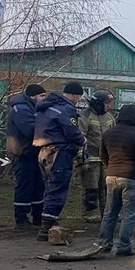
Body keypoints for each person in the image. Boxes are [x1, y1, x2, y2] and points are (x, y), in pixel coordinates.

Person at [96, 104, 135, 256]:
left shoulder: (108, 133)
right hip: (133, 179)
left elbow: (102, 156)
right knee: (130, 214)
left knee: (110, 213)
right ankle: (124, 246)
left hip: (112, 177)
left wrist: (111, 168)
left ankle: (104, 244)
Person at [32, 82, 86, 240]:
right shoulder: (65, 108)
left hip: (43, 151)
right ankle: (46, 229)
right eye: (79, 96)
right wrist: (82, 140)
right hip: (59, 153)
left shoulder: (47, 106)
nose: (78, 100)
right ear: (75, 95)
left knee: (49, 187)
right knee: (58, 189)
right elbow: (71, 131)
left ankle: (46, 222)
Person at [6, 84, 47, 229]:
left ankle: (38, 216)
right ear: (32, 96)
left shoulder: (33, 108)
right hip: (24, 153)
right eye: (41, 96)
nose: (44, 98)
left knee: (38, 186)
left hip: (34, 153)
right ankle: (21, 219)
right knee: (25, 186)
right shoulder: (21, 109)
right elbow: (30, 130)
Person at [77, 90, 116, 222]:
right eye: (107, 103)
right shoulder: (85, 116)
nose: (109, 106)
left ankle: (107, 213)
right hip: (90, 159)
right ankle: (90, 214)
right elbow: (79, 138)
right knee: (91, 188)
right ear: (99, 103)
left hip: (105, 160)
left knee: (106, 188)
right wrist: (81, 159)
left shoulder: (110, 118)